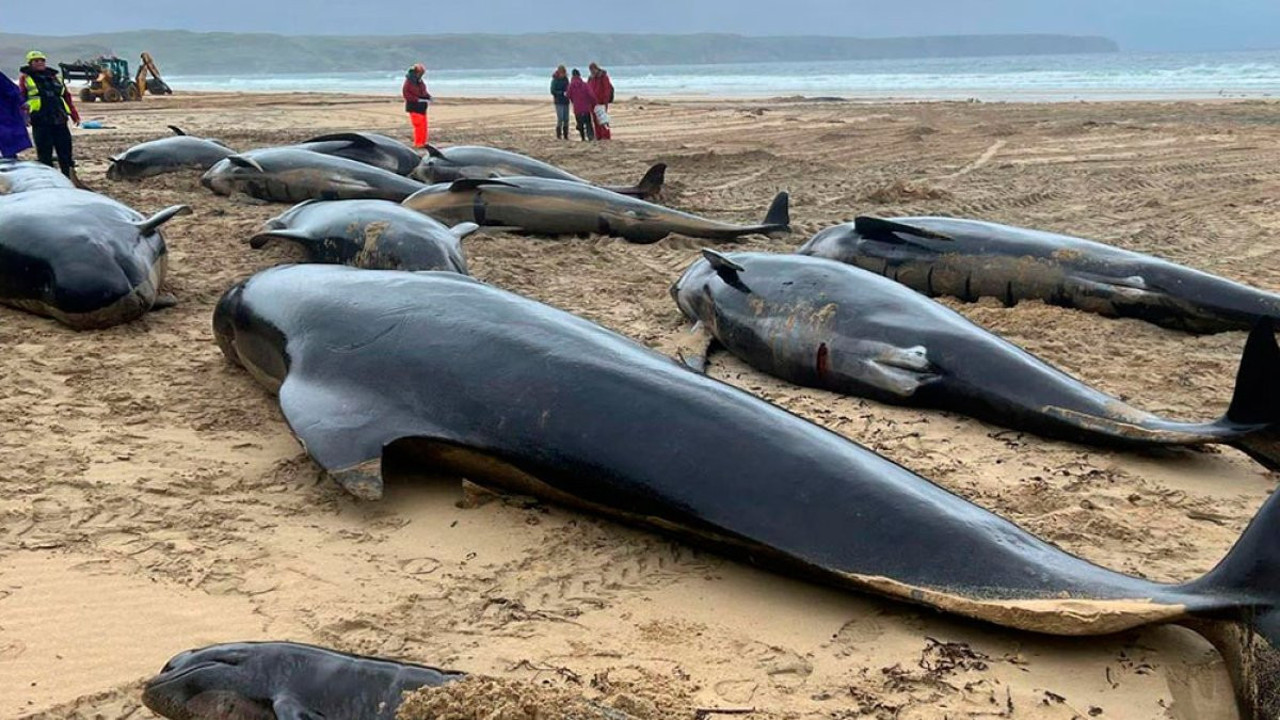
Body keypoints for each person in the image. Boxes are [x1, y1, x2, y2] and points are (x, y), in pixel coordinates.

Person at [18, 50, 79, 178]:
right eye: (36, 61)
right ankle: (49, 179)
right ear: (30, 63)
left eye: (42, 60)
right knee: (45, 153)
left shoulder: (55, 77)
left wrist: (74, 114)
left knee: (65, 151)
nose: (40, 63)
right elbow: (21, 98)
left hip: (59, 118)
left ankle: (69, 176)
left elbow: (66, 96)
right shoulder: (26, 78)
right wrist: (24, 117)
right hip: (40, 120)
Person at [0, 69, 32, 159]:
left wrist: (21, 103)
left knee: (8, 150)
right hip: (5, 119)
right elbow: (13, 91)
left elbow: (13, 92)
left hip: (4, 117)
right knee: (8, 150)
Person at [402, 63, 432, 148]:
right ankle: (418, 143)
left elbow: (423, 91)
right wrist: (418, 99)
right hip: (414, 106)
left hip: (422, 106)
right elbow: (406, 94)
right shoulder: (409, 82)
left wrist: (428, 97)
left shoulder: (419, 81)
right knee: (418, 125)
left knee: (424, 126)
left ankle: (423, 142)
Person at [566, 69, 597, 142]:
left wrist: (573, 99)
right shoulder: (584, 84)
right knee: (588, 123)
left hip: (577, 108)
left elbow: (568, 95)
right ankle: (590, 137)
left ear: (573, 76)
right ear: (579, 75)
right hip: (586, 107)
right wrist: (594, 102)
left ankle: (583, 138)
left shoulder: (571, 86)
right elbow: (591, 94)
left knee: (580, 124)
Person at [587, 62, 614, 141]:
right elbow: (588, 89)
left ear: (596, 68)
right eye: (591, 70)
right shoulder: (591, 78)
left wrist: (605, 100)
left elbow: (607, 89)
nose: (592, 72)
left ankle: (606, 136)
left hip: (601, 102)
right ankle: (598, 136)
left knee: (603, 120)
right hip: (593, 103)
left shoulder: (603, 76)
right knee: (595, 120)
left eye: (593, 70)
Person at [550, 65, 570, 140]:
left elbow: (569, 87)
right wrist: (561, 93)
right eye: (562, 73)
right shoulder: (555, 80)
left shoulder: (566, 79)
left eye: (564, 73)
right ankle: (559, 135)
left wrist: (568, 93)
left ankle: (566, 135)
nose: (563, 74)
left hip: (566, 101)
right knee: (560, 118)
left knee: (566, 119)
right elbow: (552, 91)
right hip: (558, 101)